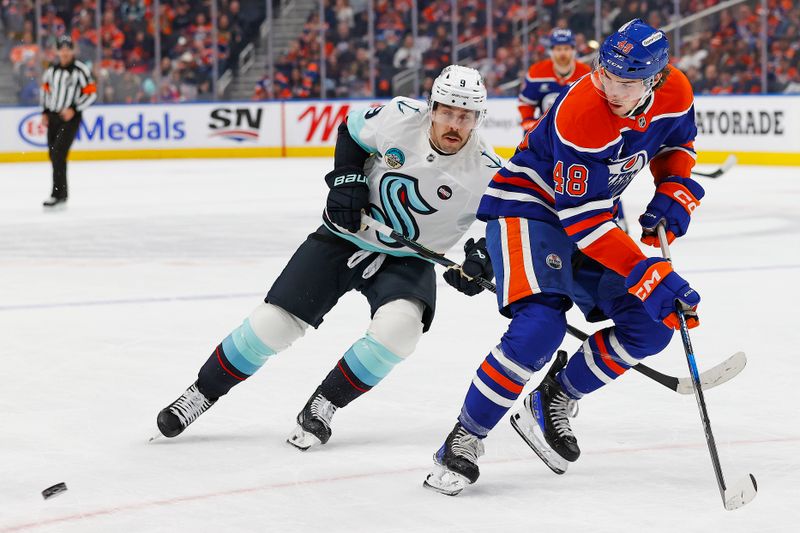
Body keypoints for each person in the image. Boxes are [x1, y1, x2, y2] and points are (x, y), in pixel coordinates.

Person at [154, 65, 502, 449]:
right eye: (447, 112)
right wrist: (347, 179)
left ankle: (324, 405)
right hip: (343, 238)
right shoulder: (400, 116)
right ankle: (202, 392)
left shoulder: (486, 169)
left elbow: (508, 222)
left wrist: (485, 258)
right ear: (431, 107)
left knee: (400, 331)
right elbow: (351, 132)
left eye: (465, 116)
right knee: (273, 325)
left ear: (478, 118)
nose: (454, 124)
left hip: (407, 259)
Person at [424, 20, 704, 496]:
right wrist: (648, 272)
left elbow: (677, 143)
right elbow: (585, 225)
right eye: (604, 75)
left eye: (626, 83)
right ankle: (464, 438)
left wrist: (674, 188)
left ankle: (554, 398)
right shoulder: (583, 113)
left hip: (592, 214)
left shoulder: (676, 91)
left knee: (652, 326)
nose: (611, 89)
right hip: (530, 208)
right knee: (540, 327)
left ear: (656, 79)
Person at [40, 35, 96, 209]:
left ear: (73, 50)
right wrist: (45, 111)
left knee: (58, 153)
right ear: (57, 51)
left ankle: (58, 194)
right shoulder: (51, 71)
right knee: (53, 155)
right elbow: (46, 91)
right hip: (54, 117)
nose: (64, 52)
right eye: (61, 48)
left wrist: (74, 109)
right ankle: (60, 194)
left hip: (70, 119)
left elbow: (91, 93)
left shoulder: (80, 70)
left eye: (67, 48)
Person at [517, 28, 590, 134]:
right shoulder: (537, 72)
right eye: (558, 49)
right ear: (551, 51)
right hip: (545, 130)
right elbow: (526, 102)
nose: (562, 53)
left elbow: (589, 105)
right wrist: (528, 120)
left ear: (573, 50)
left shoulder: (585, 73)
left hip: (574, 131)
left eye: (566, 48)